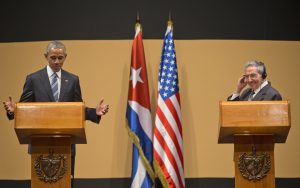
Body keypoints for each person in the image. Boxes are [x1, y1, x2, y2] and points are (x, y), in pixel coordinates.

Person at [2, 41, 109, 181]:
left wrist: (94, 112)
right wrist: (13, 111)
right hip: (40, 143)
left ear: (65, 57)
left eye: (61, 58)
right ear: (46, 56)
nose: (57, 61)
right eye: (53, 58)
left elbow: (76, 109)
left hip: (66, 142)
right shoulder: (33, 79)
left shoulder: (72, 80)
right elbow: (24, 108)